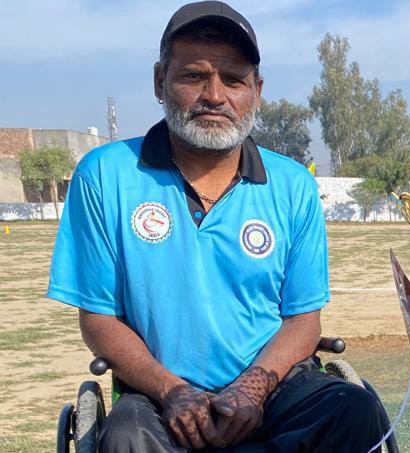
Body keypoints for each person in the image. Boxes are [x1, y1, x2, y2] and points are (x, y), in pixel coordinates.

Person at [48, 2, 386, 452]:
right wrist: (172, 390)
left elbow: (303, 320)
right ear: (160, 81)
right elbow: (98, 318)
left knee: (354, 410)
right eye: (194, 76)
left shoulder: (292, 184)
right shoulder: (105, 175)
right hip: (158, 393)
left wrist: (252, 389)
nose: (214, 95)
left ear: (256, 91)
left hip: (273, 386)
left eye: (233, 79)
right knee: (127, 437)